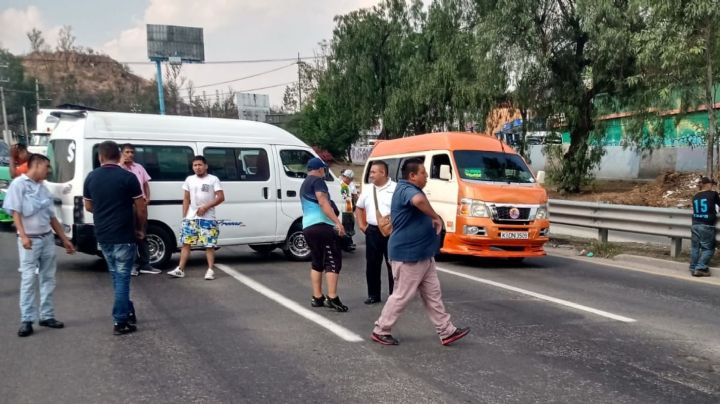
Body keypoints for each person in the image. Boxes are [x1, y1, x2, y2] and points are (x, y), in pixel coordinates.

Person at [371, 158, 470, 346]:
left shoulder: (413, 189)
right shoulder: (406, 189)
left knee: (433, 294)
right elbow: (417, 201)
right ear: (412, 176)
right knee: (402, 295)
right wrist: (435, 217)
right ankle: (381, 329)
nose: (426, 177)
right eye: (423, 173)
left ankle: (446, 330)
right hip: (408, 255)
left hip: (423, 255)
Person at [3, 154, 75, 337]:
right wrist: (23, 235)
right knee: (28, 279)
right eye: (46, 166)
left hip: (46, 239)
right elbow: (15, 213)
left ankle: (47, 315)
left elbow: (52, 217)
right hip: (30, 241)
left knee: (48, 279)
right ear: (36, 165)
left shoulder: (43, 188)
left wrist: (65, 240)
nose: (48, 170)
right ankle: (27, 320)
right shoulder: (19, 185)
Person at [83, 141, 147, 335]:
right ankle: (120, 321)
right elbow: (141, 207)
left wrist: (104, 210)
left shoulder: (91, 178)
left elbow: (88, 206)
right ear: (119, 156)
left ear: (100, 157)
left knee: (117, 276)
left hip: (103, 235)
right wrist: (141, 229)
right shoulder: (128, 177)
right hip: (124, 235)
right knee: (122, 279)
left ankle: (127, 310)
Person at [301, 157, 349, 312]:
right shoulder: (318, 181)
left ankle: (317, 297)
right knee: (332, 260)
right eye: (323, 169)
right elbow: (323, 202)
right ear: (320, 169)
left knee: (317, 261)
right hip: (322, 226)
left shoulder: (304, 183)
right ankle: (332, 297)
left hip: (308, 226)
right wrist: (338, 222)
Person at [168, 155, 225, 280]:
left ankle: (210, 270)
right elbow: (186, 198)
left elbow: (220, 197)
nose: (197, 167)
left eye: (200, 165)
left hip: (208, 218)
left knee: (209, 245)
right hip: (191, 217)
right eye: (195, 165)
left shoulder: (213, 179)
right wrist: (185, 216)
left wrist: (205, 207)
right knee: (186, 243)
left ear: (206, 166)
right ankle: (180, 269)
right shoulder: (189, 179)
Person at [356, 160, 396, 304]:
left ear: (383, 173)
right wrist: (362, 225)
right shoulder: (368, 189)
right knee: (372, 264)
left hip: (392, 231)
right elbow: (359, 207)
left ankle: (395, 296)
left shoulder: (396, 189)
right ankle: (373, 295)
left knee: (393, 264)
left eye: (373, 172)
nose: (370, 175)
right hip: (372, 231)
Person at [120, 144, 161, 276]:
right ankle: (131, 265)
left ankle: (145, 264)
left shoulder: (139, 167)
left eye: (132, 152)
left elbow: (145, 184)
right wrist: (121, 163)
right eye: (127, 152)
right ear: (122, 153)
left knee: (143, 233)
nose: (130, 154)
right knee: (129, 236)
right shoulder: (118, 168)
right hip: (127, 204)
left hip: (141, 204)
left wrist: (148, 198)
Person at [690, 176, 720, 277]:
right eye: (712, 184)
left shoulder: (696, 195)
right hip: (706, 225)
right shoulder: (713, 194)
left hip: (695, 224)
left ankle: (693, 267)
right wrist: (716, 192)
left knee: (695, 247)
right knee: (708, 249)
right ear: (708, 184)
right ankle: (700, 268)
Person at [339, 169, 359, 252]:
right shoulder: (343, 185)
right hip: (345, 210)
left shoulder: (346, 185)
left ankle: (347, 244)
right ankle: (346, 246)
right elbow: (346, 199)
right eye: (349, 179)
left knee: (348, 227)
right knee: (347, 228)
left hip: (347, 209)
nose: (350, 181)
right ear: (346, 177)